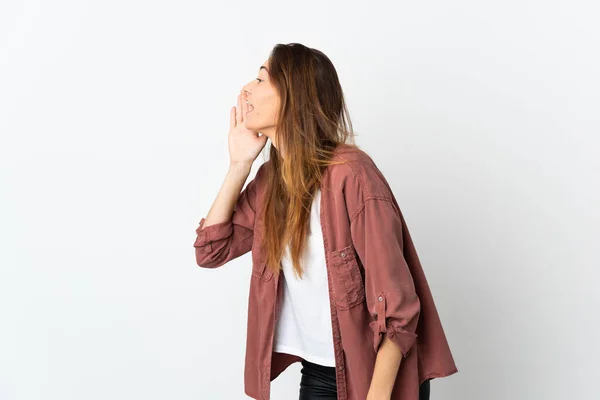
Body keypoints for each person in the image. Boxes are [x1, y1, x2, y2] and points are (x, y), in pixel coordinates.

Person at [194, 43, 458, 400]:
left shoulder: (352, 175)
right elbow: (212, 250)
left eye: (260, 79)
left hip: (378, 375)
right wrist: (239, 166)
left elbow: (399, 312)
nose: (246, 89)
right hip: (319, 371)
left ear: (294, 95)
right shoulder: (272, 180)